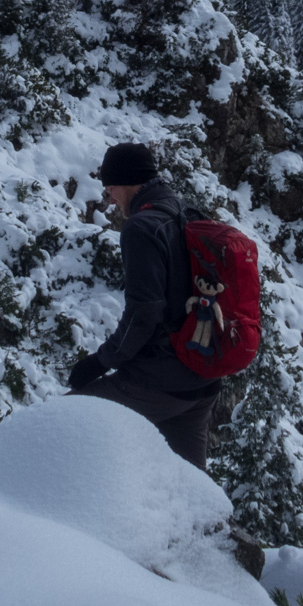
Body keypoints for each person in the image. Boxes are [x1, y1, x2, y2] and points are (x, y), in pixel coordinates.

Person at [67, 143, 219, 470]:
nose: (111, 201)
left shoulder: (141, 227)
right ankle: (211, 522)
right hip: (203, 378)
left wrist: (99, 362)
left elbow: (143, 311)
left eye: (110, 191)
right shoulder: (186, 210)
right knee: (190, 485)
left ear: (126, 183)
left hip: (162, 380)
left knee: (63, 422)